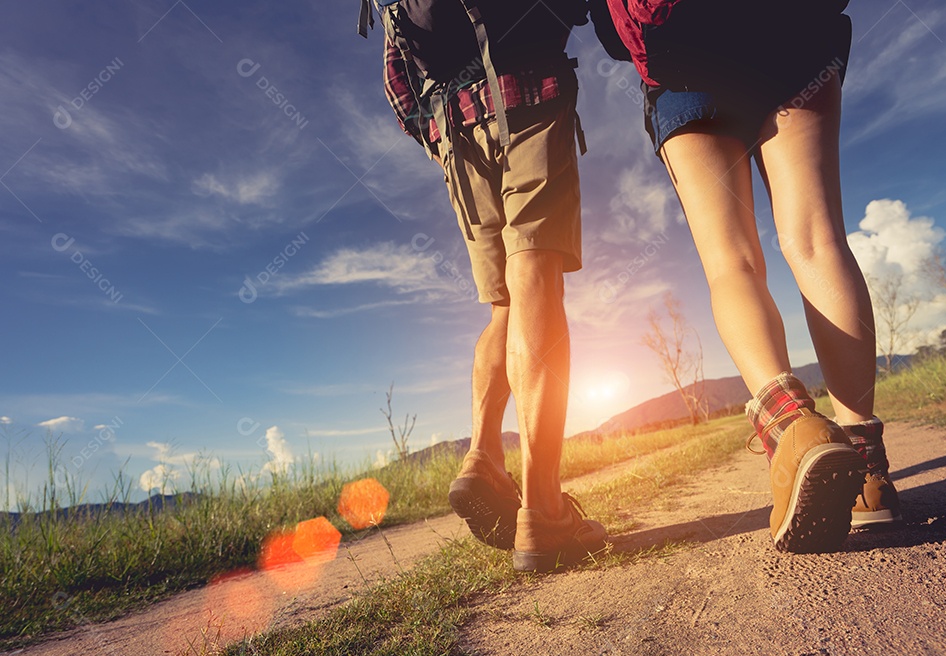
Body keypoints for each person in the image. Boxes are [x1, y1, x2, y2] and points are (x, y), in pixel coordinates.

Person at [598, 0, 901, 552]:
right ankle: (868, 467)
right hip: (793, 32)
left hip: (680, 56)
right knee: (817, 239)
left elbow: (610, 29)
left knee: (731, 260)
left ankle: (794, 429)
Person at [373, 0, 607, 571]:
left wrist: (438, 136)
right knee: (536, 282)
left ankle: (481, 456)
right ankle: (543, 509)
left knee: (503, 305)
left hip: (455, 130)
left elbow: (396, 73)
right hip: (530, 92)